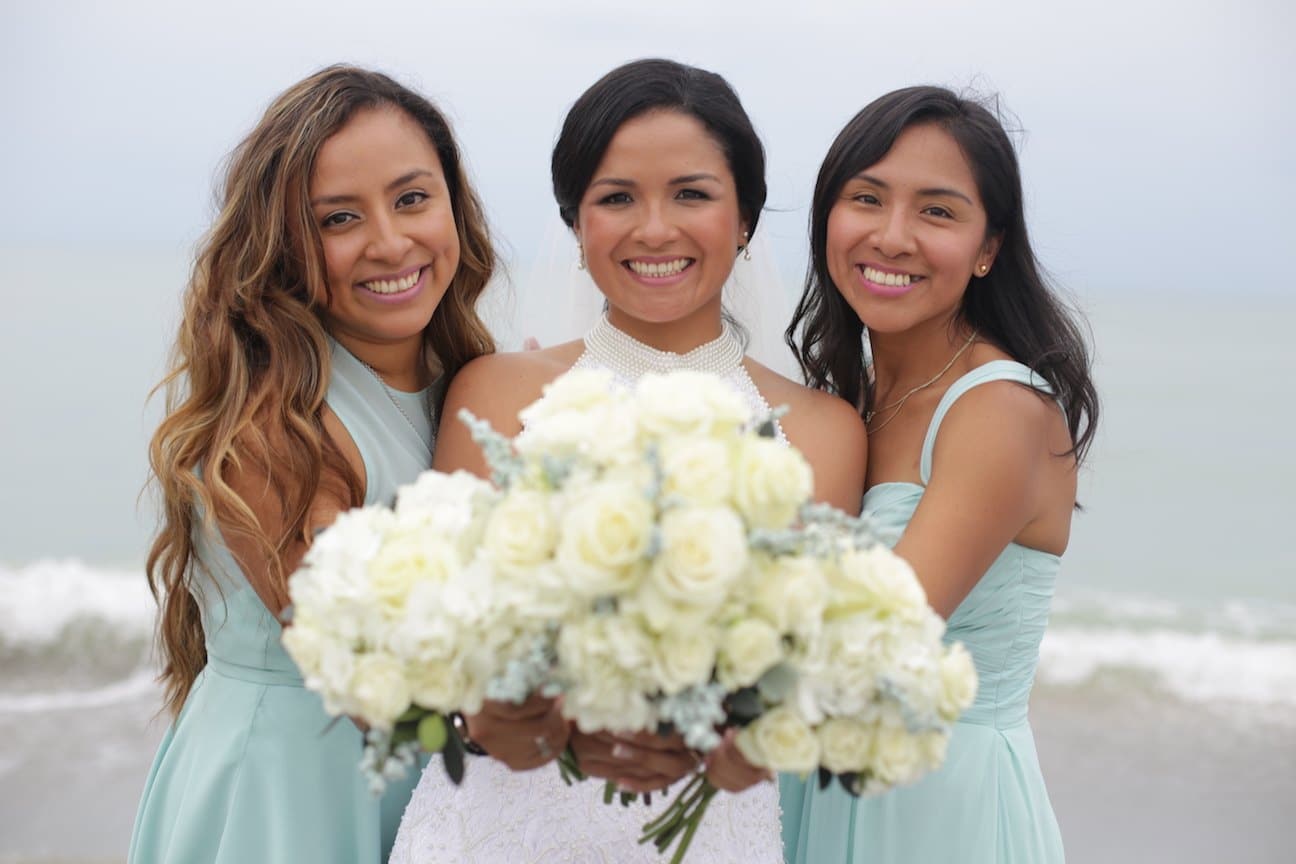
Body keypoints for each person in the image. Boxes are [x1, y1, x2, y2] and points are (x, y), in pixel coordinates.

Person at [389, 58, 867, 863]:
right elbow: (443, 639)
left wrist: (719, 740)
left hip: (707, 829)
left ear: (744, 217)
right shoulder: (498, 392)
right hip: (495, 828)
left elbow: (807, 671)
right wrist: (558, 726)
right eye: (616, 198)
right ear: (576, 224)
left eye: (692, 194)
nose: (654, 229)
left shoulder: (823, 430)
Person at [129, 65, 495, 864]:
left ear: (452, 204)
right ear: (282, 244)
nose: (390, 242)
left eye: (411, 199)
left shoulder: (474, 387)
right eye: (338, 218)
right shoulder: (273, 429)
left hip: (434, 786)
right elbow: (369, 657)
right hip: (291, 796)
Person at [779, 86, 1099, 863]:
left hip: (939, 813)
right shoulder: (844, 406)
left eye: (937, 211)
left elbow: (876, 640)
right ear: (829, 218)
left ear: (989, 247)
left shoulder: (1001, 410)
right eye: (867, 199)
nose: (892, 237)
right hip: (815, 786)